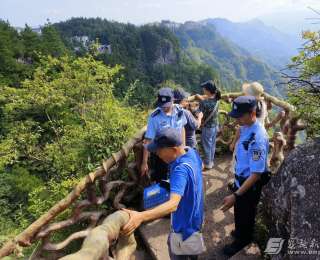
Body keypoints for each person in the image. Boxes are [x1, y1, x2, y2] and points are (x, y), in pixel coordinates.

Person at [122, 128, 205, 260]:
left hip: (182, 226)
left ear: (174, 149)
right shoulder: (191, 152)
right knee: (192, 250)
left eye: (160, 150)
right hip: (196, 217)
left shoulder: (179, 170)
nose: (158, 154)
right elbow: (202, 166)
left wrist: (141, 216)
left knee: (177, 252)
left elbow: (173, 205)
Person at [221, 96, 269, 257]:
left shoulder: (258, 139)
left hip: (250, 184)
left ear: (252, 113)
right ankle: (241, 231)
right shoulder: (246, 126)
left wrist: (236, 195)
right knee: (240, 212)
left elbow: (256, 174)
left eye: (240, 116)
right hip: (241, 178)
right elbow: (240, 130)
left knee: (245, 212)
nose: (237, 119)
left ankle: (242, 242)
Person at [141, 87, 187, 183]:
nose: (164, 108)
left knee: (179, 179)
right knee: (163, 182)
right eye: (162, 106)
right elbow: (148, 140)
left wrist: (183, 147)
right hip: (163, 157)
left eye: (167, 106)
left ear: (173, 100)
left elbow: (182, 128)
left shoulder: (179, 111)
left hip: (178, 153)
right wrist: (144, 162)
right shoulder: (154, 117)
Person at [196, 81, 221, 169]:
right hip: (215, 126)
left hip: (207, 128)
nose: (203, 89)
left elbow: (198, 112)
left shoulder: (204, 103)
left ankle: (207, 164)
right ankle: (211, 161)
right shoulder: (217, 100)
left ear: (208, 91)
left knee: (206, 146)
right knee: (212, 144)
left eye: (204, 88)